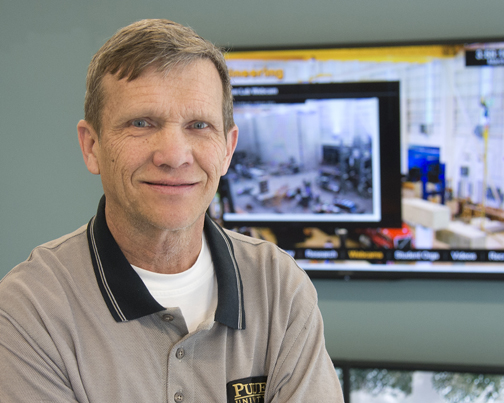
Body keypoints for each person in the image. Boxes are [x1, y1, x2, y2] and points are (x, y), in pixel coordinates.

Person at [0, 19, 343, 402]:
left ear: (228, 149)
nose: (174, 156)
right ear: (92, 146)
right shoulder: (32, 307)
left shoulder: (278, 286)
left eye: (199, 125)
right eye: (141, 123)